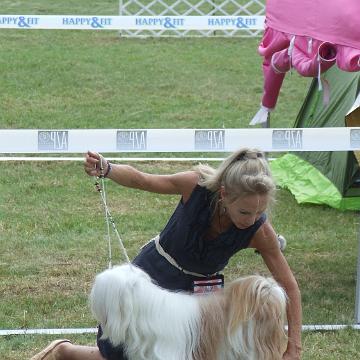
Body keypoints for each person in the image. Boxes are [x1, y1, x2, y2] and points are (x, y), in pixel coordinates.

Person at [31, 148, 302, 360]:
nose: (251, 219)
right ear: (224, 195)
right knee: (121, 353)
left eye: (259, 212)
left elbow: (289, 286)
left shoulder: (259, 230)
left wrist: (293, 349)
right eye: (244, 211)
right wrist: (108, 168)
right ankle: (64, 352)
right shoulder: (195, 186)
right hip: (154, 275)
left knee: (195, 353)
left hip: (198, 295)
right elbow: (143, 180)